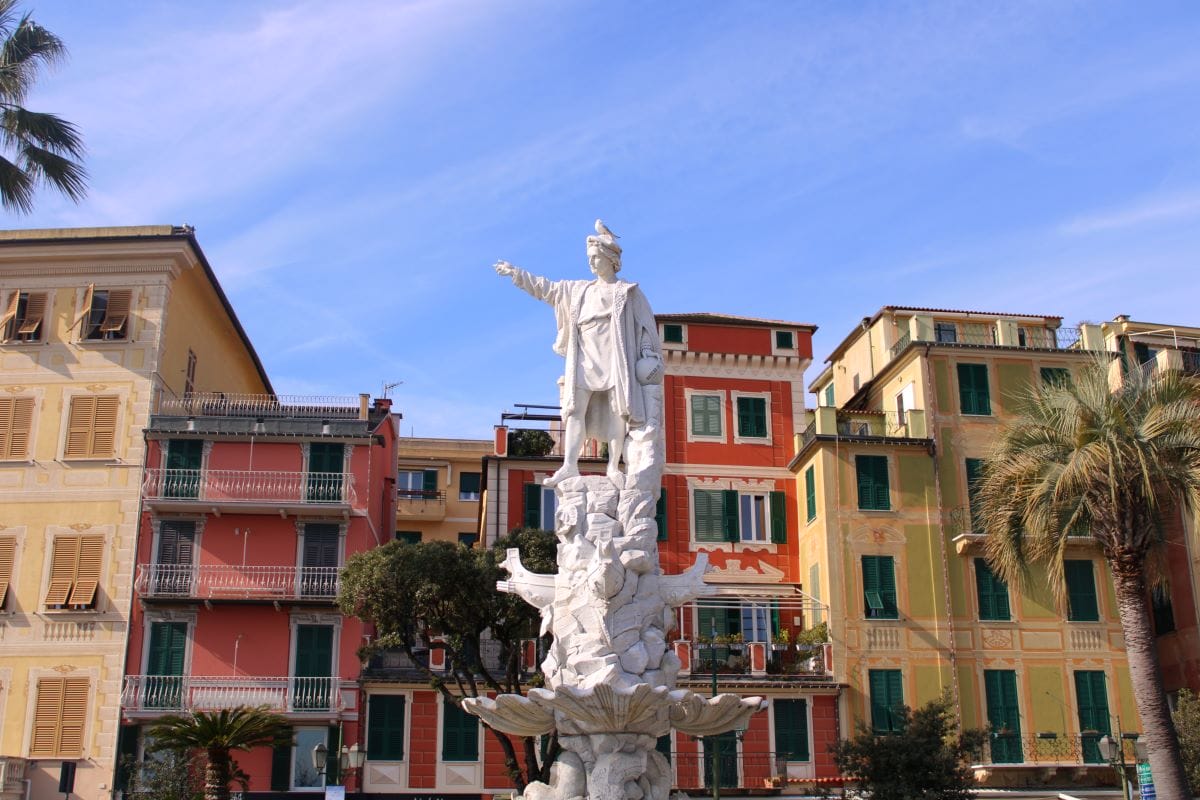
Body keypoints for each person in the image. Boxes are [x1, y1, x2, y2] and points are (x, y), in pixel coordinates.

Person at [495, 221, 663, 487]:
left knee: (619, 410)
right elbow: (545, 289)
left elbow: (644, 326)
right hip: (584, 356)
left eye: (596, 258)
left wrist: (645, 351)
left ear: (610, 260)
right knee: (574, 411)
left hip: (615, 356)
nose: (591, 263)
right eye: (590, 258)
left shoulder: (628, 292)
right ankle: (569, 466)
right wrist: (516, 274)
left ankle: (613, 467)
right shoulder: (578, 291)